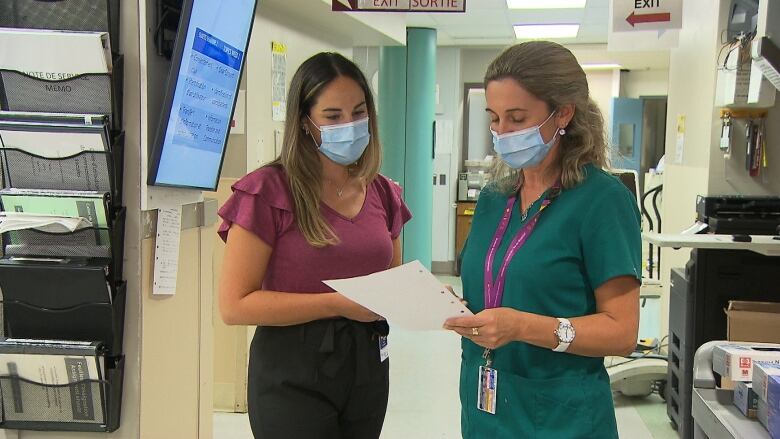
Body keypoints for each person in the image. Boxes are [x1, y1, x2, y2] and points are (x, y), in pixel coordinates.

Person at [444, 41, 641, 438]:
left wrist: (521, 327)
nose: (501, 133)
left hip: (561, 416)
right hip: (487, 404)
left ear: (563, 113)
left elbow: (621, 332)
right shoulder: (494, 198)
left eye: (516, 119)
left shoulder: (601, 201)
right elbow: (497, 285)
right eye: (494, 118)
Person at [217, 52, 411, 439]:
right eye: (333, 116)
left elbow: (393, 281)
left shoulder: (382, 192)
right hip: (293, 368)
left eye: (358, 113)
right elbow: (234, 305)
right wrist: (338, 303)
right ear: (306, 122)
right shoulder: (267, 190)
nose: (351, 126)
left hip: (367, 361)